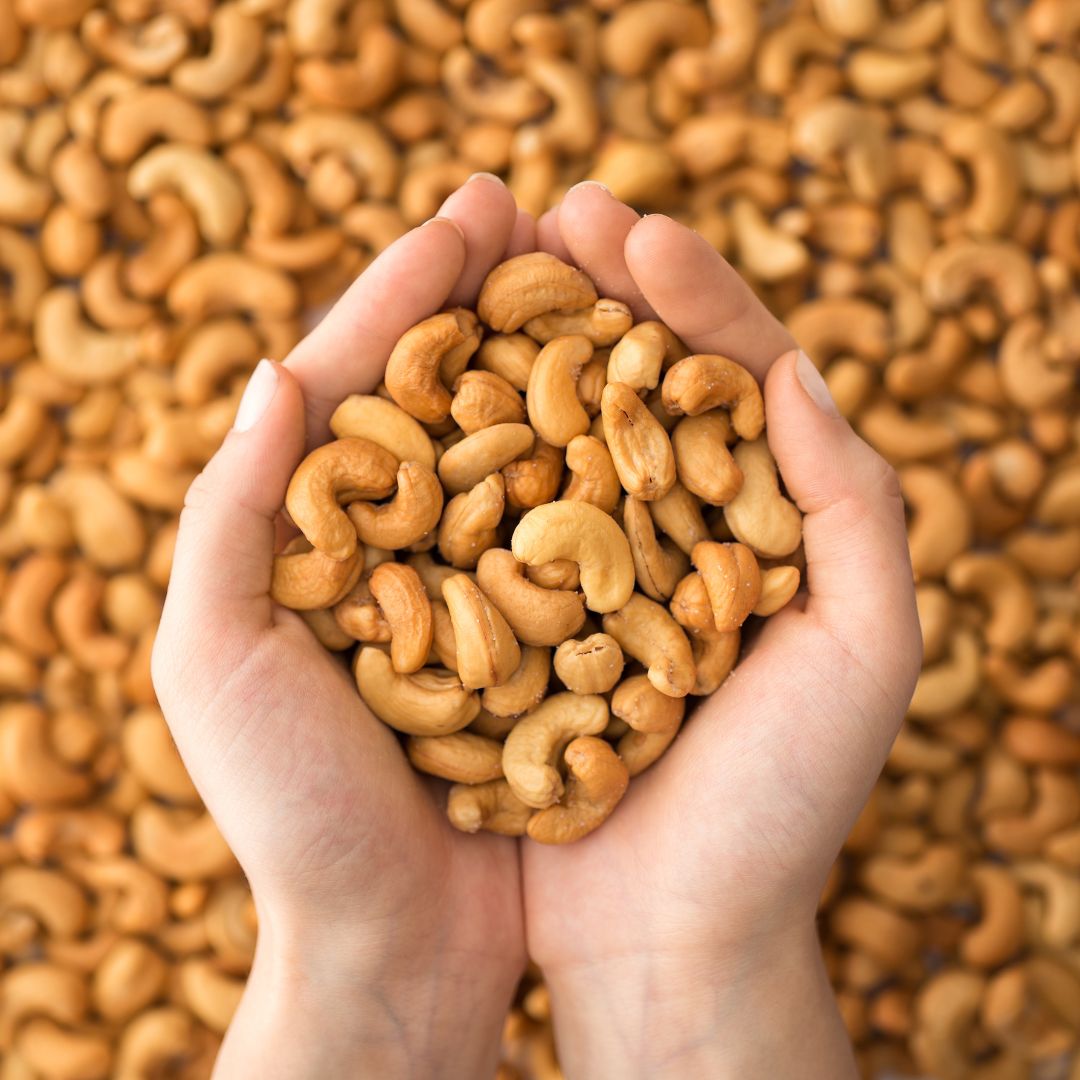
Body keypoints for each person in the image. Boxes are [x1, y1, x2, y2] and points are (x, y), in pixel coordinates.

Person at [153, 175, 922, 1079]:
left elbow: (657, 538)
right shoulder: (525, 542)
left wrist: (358, 968)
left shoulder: (581, 498)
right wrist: (707, 969)